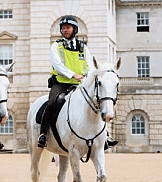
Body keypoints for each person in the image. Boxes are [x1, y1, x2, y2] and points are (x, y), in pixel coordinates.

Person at [37, 15, 118, 149]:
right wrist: (73, 75)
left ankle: (105, 136)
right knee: (52, 103)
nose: (65, 30)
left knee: (97, 101)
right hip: (61, 83)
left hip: (81, 83)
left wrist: (88, 78)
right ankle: (43, 135)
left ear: (74, 29)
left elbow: (90, 66)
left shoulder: (83, 48)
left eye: (68, 27)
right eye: (63, 28)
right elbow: (57, 65)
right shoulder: (56, 46)